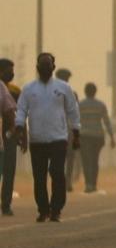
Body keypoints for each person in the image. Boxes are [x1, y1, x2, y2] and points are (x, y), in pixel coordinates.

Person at [14, 52, 81, 222]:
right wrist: (20, 129)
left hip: (58, 138)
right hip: (37, 139)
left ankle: (56, 209)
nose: (45, 68)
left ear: (53, 67)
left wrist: (76, 133)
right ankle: (43, 210)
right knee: (39, 176)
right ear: (37, 68)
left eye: (48, 65)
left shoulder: (63, 88)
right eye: (42, 66)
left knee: (58, 173)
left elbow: (73, 111)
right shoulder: (29, 89)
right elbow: (21, 110)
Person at [77, 82, 115, 193]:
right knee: (94, 160)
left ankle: (88, 184)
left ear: (85, 92)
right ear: (95, 92)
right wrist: (112, 136)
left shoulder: (80, 105)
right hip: (98, 136)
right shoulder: (101, 105)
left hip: (84, 136)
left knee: (86, 161)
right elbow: (106, 121)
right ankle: (93, 184)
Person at [1, 58, 21, 216]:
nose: (12, 74)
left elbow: (20, 113)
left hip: (9, 134)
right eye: (9, 70)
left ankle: (6, 203)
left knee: (9, 170)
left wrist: (21, 133)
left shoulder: (15, 90)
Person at [54, 68, 80, 191]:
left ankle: (61, 182)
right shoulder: (73, 94)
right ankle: (67, 182)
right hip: (68, 129)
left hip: (54, 128)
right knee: (69, 157)